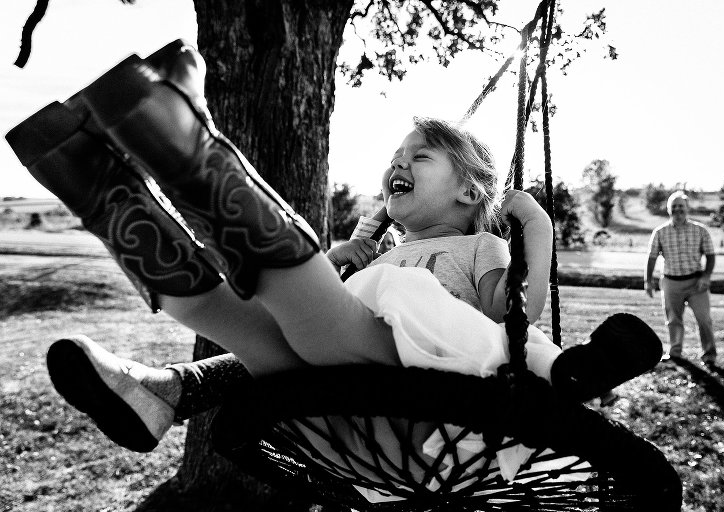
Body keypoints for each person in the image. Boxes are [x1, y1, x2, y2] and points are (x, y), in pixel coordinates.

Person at [7, 41, 661, 498]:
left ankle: (176, 146)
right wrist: (339, 268)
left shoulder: (479, 249)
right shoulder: (383, 257)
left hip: (433, 422)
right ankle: (98, 183)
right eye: (396, 156)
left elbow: (511, 319)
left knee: (350, 296)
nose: (399, 163)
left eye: (421, 156)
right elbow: (316, 321)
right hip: (347, 432)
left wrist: (536, 226)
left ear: (470, 192)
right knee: (247, 319)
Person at [645, 191, 717, 366]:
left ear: (687, 208)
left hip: (696, 283)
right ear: (669, 210)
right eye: (674, 206)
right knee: (673, 320)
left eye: (681, 206)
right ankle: (675, 353)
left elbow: (710, 255)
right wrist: (648, 281)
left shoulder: (700, 230)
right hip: (671, 283)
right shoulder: (660, 232)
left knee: (704, 319)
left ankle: (709, 355)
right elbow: (652, 257)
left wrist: (706, 277)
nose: (678, 209)